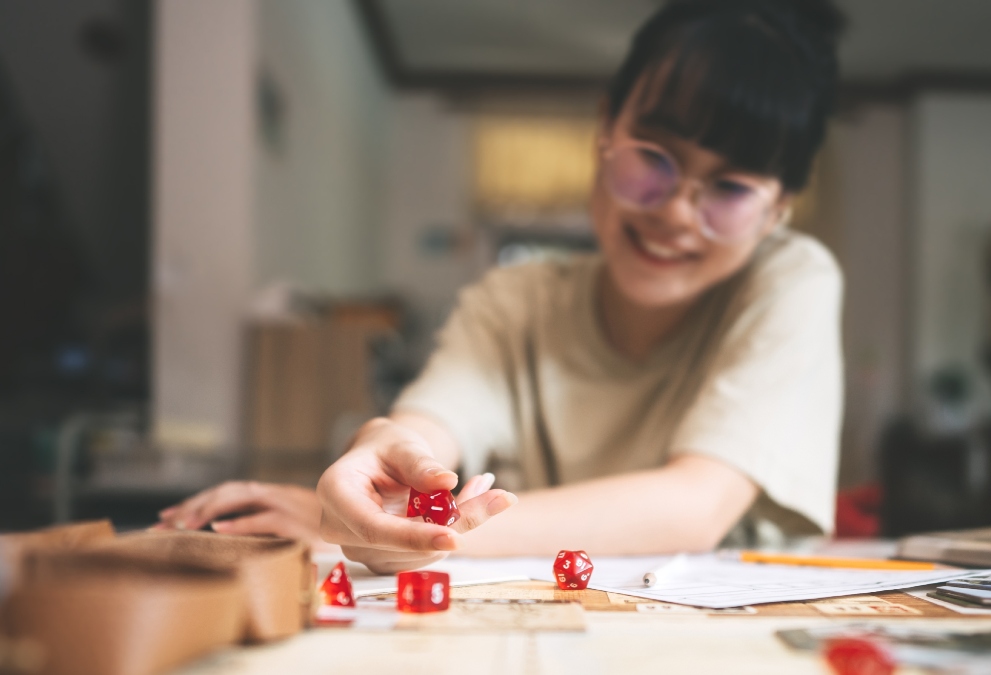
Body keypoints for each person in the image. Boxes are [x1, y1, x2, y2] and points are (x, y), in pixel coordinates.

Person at [158, 0, 845, 574]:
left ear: (778, 209)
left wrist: (392, 530)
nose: (673, 211)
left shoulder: (791, 280)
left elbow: (694, 507)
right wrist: (378, 455)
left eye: (728, 187)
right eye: (653, 157)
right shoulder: (515, 299)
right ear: (605, 129)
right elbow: (429, 427)